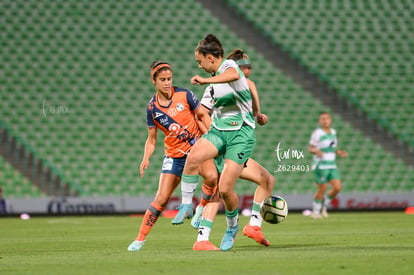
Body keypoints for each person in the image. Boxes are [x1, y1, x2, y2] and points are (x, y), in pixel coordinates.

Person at [172, 34, 257, 251]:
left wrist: (205, 80)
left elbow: (231, 74)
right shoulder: (213, 84)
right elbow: (204, 111)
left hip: (240, 133)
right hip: (219, 131)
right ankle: (185, 206)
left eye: (200, 61)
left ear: (211, 58)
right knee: (193, 157)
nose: (199, 66)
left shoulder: (228, 66)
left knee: (226, 189)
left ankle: (232, 227)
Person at [127, 61, 216, 251]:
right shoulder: (152, 110)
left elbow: (202, 115)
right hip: (174, 156)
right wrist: (146, 158)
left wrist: (211, 137)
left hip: (196, 150)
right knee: (161, 199)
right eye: (163, 80)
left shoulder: (185, 95)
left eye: (169, 79)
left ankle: (199, 208)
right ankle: (140, 238)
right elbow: (152, 140)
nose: (167, 83)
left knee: (212, 178)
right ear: (154, 81)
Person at [191, 49, 275, 250]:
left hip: (229, 142)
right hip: (226, 143)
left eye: (248, 67)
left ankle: (208, 234)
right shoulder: (220, 85)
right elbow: (202, 113)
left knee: (262, 181)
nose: (247, 70)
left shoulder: (231, 87)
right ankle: (211, 233)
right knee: (223, 189)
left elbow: (210, 112)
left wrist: (257, 115)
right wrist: (217, 135)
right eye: (244, 66)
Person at [308, 112, 348, 219]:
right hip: (321, 165)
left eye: (327, 118)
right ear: (319, 121)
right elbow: (310, 148)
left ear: (330, 120)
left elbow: (332, 148)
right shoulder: (317, 133)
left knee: (337, 187)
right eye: (322, 119)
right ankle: (316, 212)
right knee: (322, 188)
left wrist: (339, 152)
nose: (325, 120)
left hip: (332, 165)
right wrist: (316, 151)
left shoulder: (333, 132)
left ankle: (324, 205)